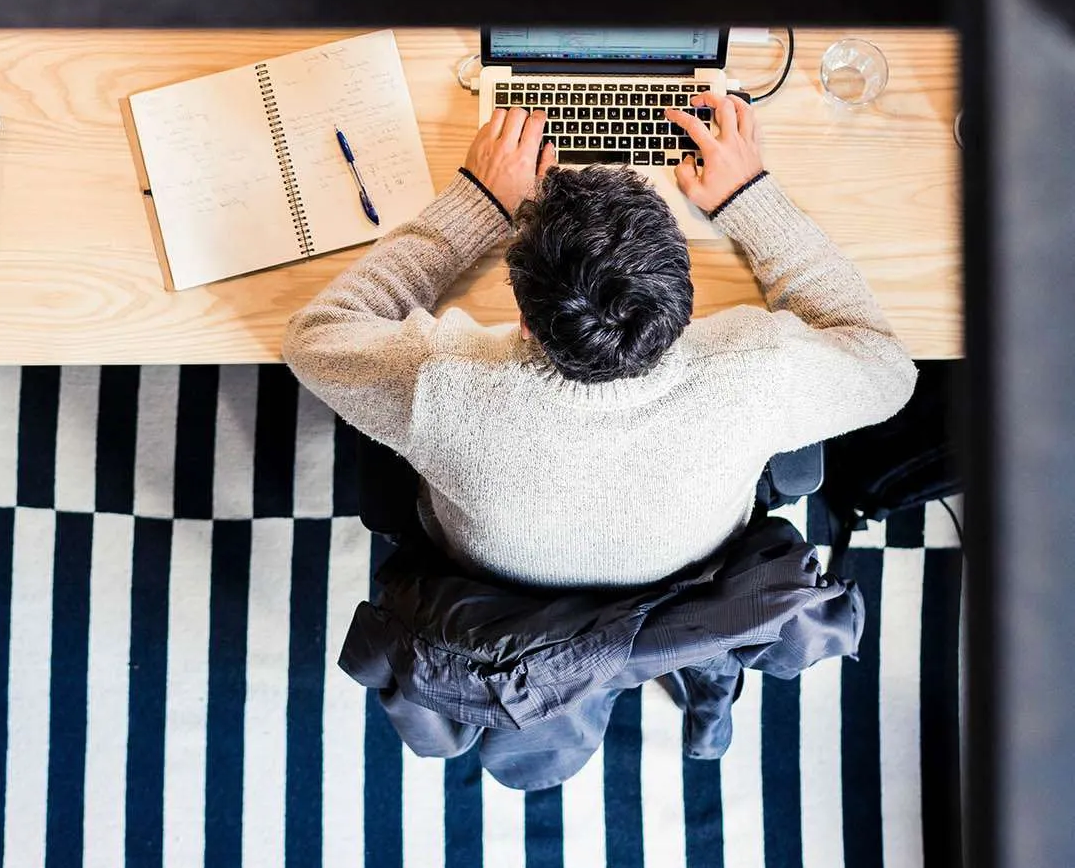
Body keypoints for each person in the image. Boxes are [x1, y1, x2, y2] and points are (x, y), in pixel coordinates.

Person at [282, 93, 916, 587]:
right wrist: (749, 200)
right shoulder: (755, 371)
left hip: (491, 595)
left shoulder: (444, 382)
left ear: (525, 321)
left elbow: (316, 335)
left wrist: (477, 206)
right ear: (684, 304)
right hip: (686, 589)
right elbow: (886, 365)